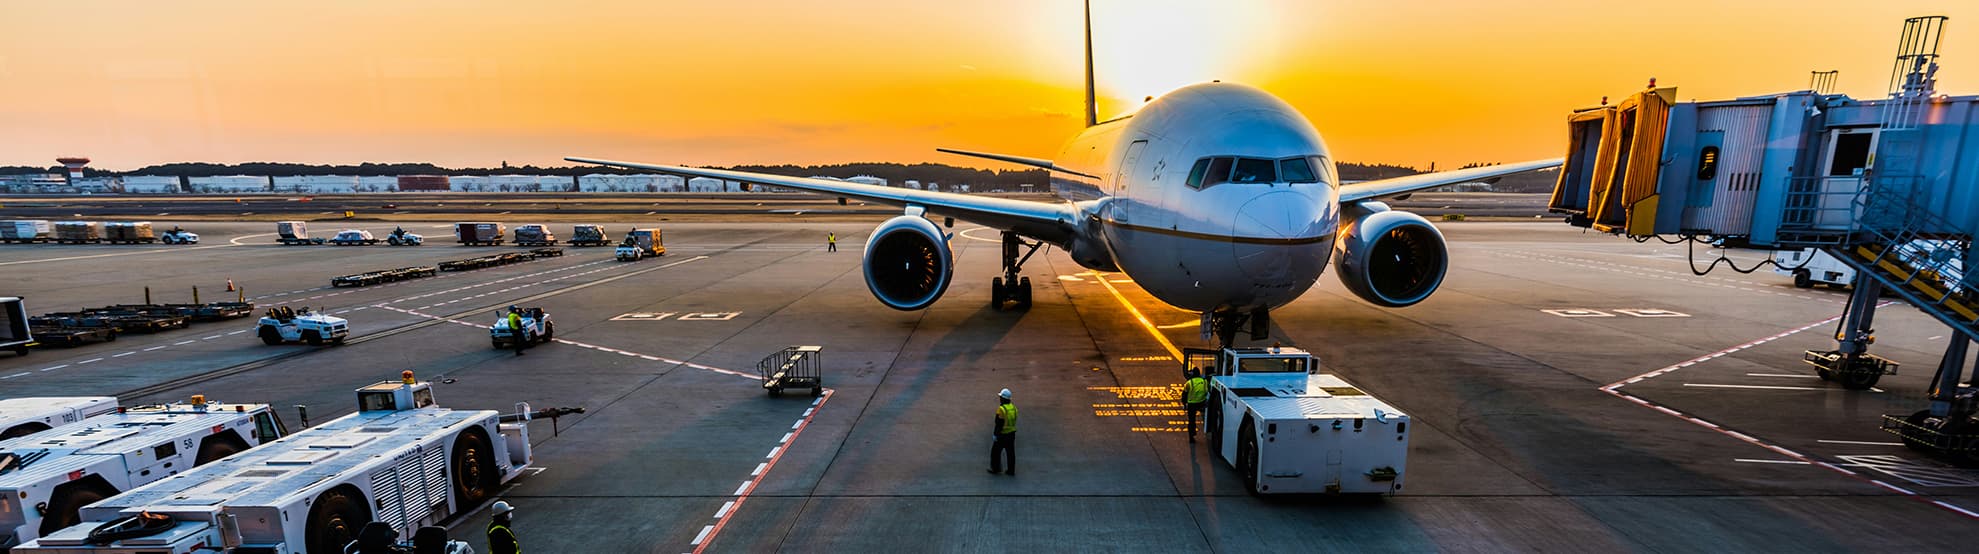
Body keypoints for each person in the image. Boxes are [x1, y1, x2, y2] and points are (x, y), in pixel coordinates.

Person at [989, 388, 1017, 475]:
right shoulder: (1014, 408)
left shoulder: (1001, 409)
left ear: (1003, 399)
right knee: (1010, 453)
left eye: (1001, 397)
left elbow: (998, 423)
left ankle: (996, 469)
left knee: (995, 452)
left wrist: (995, 434)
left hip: (1002, 435)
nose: (1000, 399)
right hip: (1011, 434)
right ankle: (1011, 470)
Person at [1182, 367, 1209, 442]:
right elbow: (1207, 391)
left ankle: (1191, 436)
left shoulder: (1189, 383)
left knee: (1191, 420)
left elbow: (1184, 395)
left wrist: (1184, 404)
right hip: (1202, 402)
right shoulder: (1205, 381)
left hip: (1192, 404)